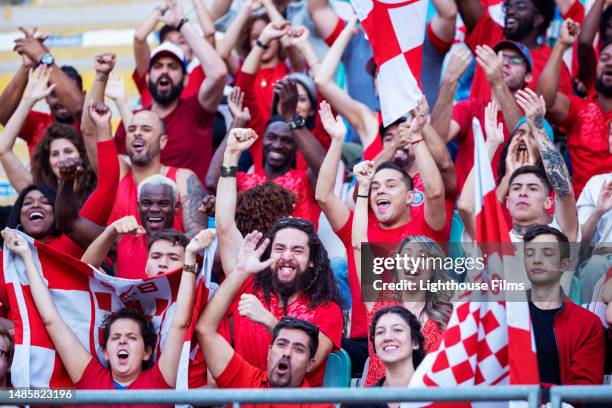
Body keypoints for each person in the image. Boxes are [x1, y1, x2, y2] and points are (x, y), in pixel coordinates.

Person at [316, 101, 446, 374]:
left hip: (420, 337)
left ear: (410, 196)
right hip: (366, 340)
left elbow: (435, 193)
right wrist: (337, 141)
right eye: (375, 186)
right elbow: (323, 196)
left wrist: (417, 138)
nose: (380, 191)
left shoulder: (425, 230)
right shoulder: (358, 226)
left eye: (390, 185)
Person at [1, 226, 210, 397]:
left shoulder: (159, 381)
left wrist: (190, 258)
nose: (122, 341)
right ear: (105, 351)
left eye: (132, 337)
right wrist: (27, 257)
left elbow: (181, 323)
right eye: (116, 337)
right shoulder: (91, 377)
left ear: (147, 352)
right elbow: (51, 320)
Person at [196, 230, 335, 401]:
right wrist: (240, 271)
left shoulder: (328, 308)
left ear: (312, 260)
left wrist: (268, 320)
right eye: (280, 248)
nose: (287, 256)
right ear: (269, 352)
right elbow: (205, 329)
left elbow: (314, 354)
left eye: (297, 250)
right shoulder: (249, 383)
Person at [83, 53, 207, 238]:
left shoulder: (182, 179)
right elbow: (89, 130)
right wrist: (101, 76)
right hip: (118, 267)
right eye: (131, 129)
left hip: (171, 265)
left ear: (163, 141)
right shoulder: (118, 173)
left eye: (146, 129)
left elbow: (198, 237)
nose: (137, 133)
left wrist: (153, 247)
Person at [351, 160, 452, 386]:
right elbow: (359, 246)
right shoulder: (379, 304)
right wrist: (365, 188)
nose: (411, 264)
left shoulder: (448, 316)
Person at [109, 0, 227, 182]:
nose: (164, 71)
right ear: (147, 77)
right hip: (143, 208)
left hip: (191, 208)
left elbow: (219, 72)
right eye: (158, 66)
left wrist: (181, 22)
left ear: (186, 79)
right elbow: (117, 173)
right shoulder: (132, 121)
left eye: (173, 66)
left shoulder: (196, 111)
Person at [458, 89, 579, 244]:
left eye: (532, 136)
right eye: (520, 133)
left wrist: (538, 128)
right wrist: (492, 145)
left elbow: (564, 190)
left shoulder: (555, 203)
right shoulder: (496, 192)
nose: (523, 138)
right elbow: (466, 208)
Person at [209, 86, 325, 229]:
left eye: (286, 140)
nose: (277, 144)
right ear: (262, 139)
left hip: (294, 250)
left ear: (297, 147)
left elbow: (323, 169)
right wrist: (238, 122)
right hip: (247, 250)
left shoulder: (305, 182)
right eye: (271, 137)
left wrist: (291, 117)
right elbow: (213, 181)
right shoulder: (242, 181)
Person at [431, 41, 528, 191]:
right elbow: (436, 139)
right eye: (500, 58)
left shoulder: (531, 113)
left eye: (515, 60)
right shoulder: (471, 107)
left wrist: (498, 82)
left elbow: (523, 139)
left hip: (506, 210)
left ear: (528, 77)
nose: (505, 63)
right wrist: (449, 81)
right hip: (466, 208)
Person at [0, 66, 97, 206]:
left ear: (83, 155)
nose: (62, 159)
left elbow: (88, 125)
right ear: (47, 161)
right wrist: (28, 99)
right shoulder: (38, 194)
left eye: (68, 151)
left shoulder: (97, 189)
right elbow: (3, 148)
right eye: (55, 154)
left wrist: (101, 75)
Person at [538, 18, 612, 198]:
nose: (610, 63)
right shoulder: (579, 109)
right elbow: (543, 102)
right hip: (582, 215)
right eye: (604, 58)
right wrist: (561, 45)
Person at [523, 224, 604, 385]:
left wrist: (532, 393)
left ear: (565, 264)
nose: (537, 260)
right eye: (529, 254)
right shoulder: (505, 314)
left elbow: (585, 390)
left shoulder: (587, 323)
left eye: (547, 253)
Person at [454, 0, 572, 101]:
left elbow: (558, 115)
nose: (510, 11)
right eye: (508, 6)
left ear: (538, 19)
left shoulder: (553, 63)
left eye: (520, 6)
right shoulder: (491, 37)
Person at [0, 27, 84, 156]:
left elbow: (78, 107)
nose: (62, 101)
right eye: (54, 94)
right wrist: (28, 66)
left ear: (83, 96)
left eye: (67, 94)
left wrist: (42, 57)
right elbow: (3, 114)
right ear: (45, 96)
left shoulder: (91, 124)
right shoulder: (37, 124)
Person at [78, 175, 182, 279]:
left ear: (176, 207)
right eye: (146, 203)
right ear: (138, 206)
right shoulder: (123, 241)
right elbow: (84, 270)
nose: (154, 209)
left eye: (163, 204)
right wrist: (110, 231)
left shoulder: (188, 247)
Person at [132, 0, 216, 107]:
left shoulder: (199, 75)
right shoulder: (152, 76)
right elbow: (139, 38)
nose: (175, 45)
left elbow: (209, 34)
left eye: (182, 42)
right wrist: (164, 5)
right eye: (169, 41)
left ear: (193, 54)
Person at [347, 306, 426, 406]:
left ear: (415, 342)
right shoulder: (358, 404)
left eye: (397, 330)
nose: (387, 337)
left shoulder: (438, 396)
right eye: (380, 332)